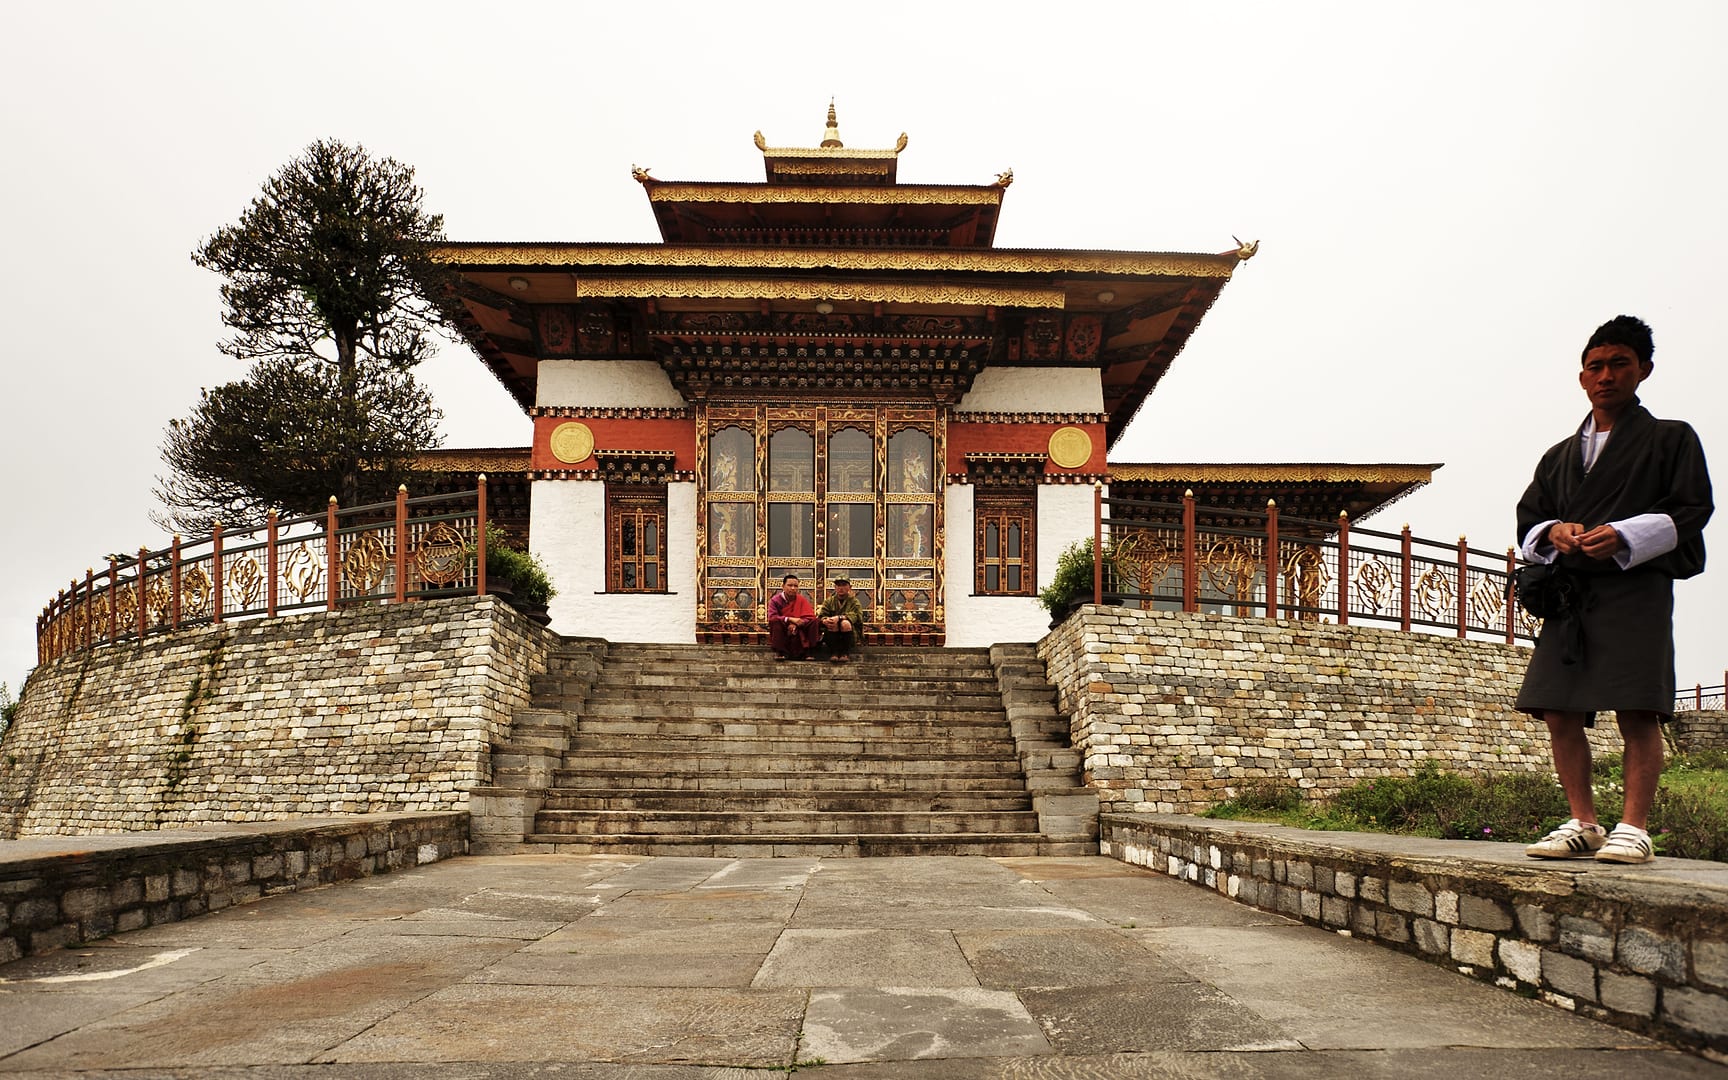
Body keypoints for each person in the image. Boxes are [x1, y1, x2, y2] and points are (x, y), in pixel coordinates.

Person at [1517, 315, 1712, 865]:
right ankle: (1583, 821)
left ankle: (1634, 827)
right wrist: (1554, 532)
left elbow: (1692, 508)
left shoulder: (1671, 438)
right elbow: (1532, 519)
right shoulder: (1559, 456)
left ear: (1643, 370)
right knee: (1557, 709)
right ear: (1582, 377)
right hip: (1570, 594)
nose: (1606, 376)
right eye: (1595, 366)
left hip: (1636, 587)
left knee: (1637, 708)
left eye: (1619, 364)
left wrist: (1623, 535)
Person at [766, 574, 820, 661]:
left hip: (799, 626)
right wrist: (789, 619)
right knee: (775, 622)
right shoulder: (775, 600)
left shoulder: (801, 600)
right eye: (790, 585)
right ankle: (780, 652)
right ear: (783, 586)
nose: (793, 588)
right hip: (784, 627)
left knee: (814, 621)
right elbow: (772, 617)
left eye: (795, 586)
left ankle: (809, 652)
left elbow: (809, 616)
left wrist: (797, 623)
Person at [818, 578, 866, 663]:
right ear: (835, 587)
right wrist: (825, 620)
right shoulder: (829, 601)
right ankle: (834, 652)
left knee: (845, 623)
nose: (841, 588)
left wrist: (840, 618)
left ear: (849, 587)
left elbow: (857, 617)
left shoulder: (854, 602)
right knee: (832, 623)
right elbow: (821, 616)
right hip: (831, 633)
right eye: (838, 585)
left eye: (844, 585)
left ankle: (845, 653)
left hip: (849, 634)